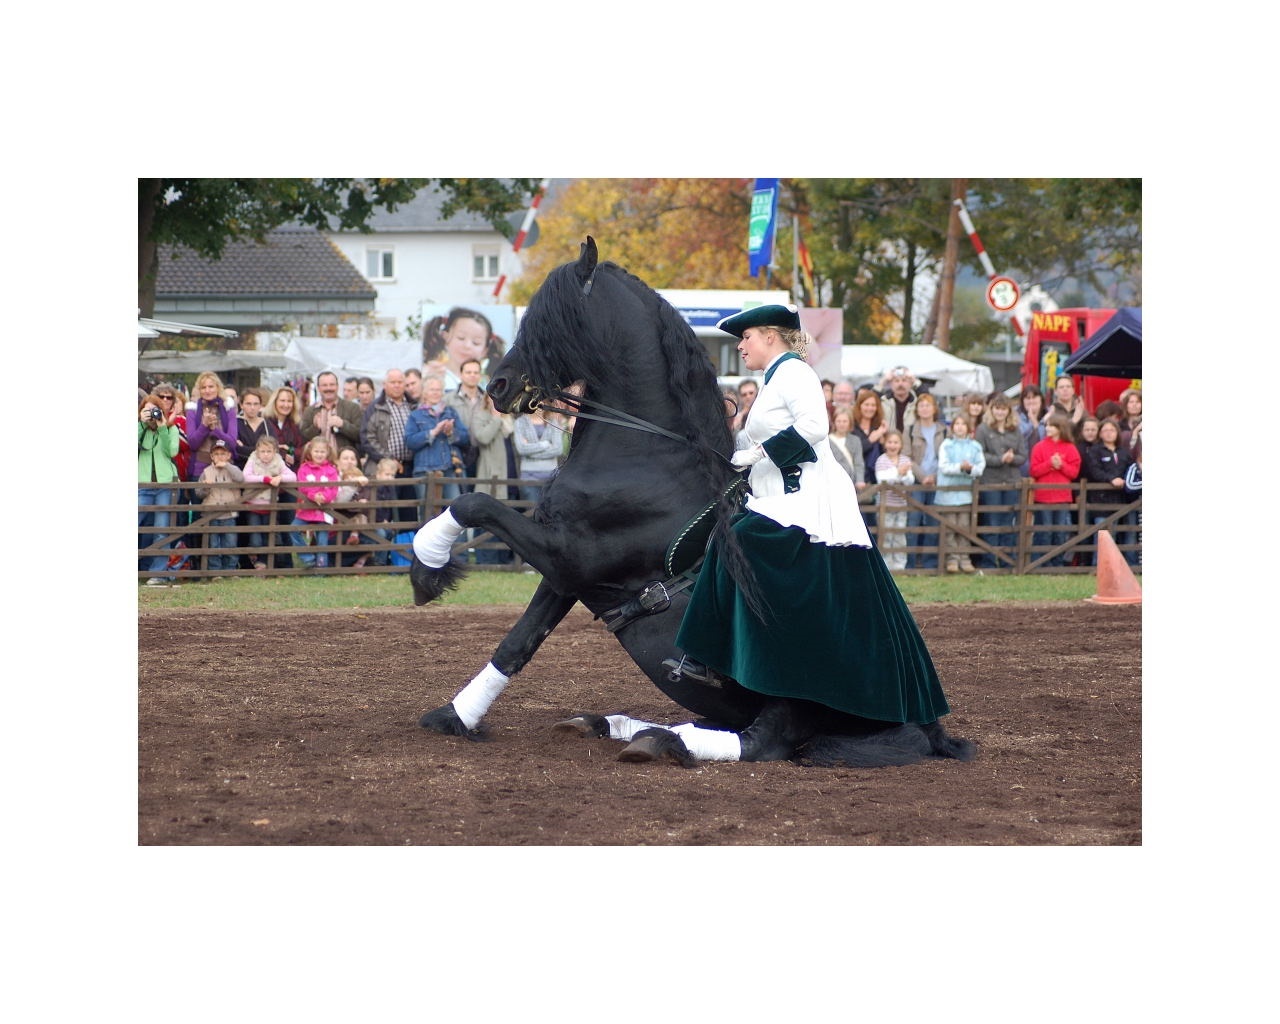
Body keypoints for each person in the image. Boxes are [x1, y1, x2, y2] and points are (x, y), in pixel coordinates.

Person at [659, 304, 958, 763]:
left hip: (807, 499)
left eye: (746, 338)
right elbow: (758, 440)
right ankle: (712, 655)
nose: (740, 346)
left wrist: (757, 454)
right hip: (782, 496)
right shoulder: (774, 379)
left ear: (770, 338)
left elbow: (816, 426)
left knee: (737, 540)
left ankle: (705, 655)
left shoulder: (794, 372)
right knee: (730, 538)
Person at [405, 375, 469, 520]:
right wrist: (433, 432)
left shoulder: (451, 412)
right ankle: (427, 544)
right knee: (427, 514)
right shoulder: (415, 415)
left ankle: (459, 544)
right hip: (424, 471)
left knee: (457, 512)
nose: (435, 393)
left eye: (438, 390)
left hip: (449, 469)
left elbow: (466, 438)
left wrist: (451, 432)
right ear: (425, 392)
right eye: (432, 390)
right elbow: (409, 442)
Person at [359, 367, 417, 522]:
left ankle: (408, 544)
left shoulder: (413, 406)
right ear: (385, 385)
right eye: (393, 382)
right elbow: (366, 437)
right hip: (385, 468)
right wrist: (389, 459)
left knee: (410, 510)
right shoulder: (375, 407)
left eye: (400, 382)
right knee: (386, 512)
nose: (397, 385)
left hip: (410, 466)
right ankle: (387, 545)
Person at [975, 395, 1026, 570]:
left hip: (1012, 481)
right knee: (992, 521)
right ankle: (990, 562)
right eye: (997, 408)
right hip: (991, 481)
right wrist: (1000, 459)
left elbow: (1023, 455)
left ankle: (1007, 561)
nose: (1000, 411)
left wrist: (1012, 458)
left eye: (1003, 408)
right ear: (992, 409)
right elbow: (980, 454)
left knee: (1008, 522)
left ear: (1009, 411)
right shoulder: (982, 429)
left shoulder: (1016, 430)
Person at [138, 393, 182, 586]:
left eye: (154, 410)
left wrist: (163, 427)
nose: (151, 414)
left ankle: (158, 573)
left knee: (161, 530)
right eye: (146, 410)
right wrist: (140, 424)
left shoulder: (171, 429)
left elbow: (171, 451)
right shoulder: (140, 429)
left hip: (165, 486)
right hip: (142, 485)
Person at [935, 413, 985, 574]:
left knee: (964, 527)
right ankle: (952, 559)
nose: (960, 427)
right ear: (952, 427)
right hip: (947, 495)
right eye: (957, 423)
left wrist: (969, 469)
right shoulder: (946, 445)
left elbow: (980, 468)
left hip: (965, 495)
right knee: (949, 529)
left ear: (968, 428)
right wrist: (961, 468)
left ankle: (965, 559)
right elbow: (944, 466)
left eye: (963, 424)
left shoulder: (975, 446)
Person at [1083, 417, 1137, 566]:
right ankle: (1098, 566)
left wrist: (1126, 481)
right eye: (1105, 430)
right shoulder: (1095, 451)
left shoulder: (1123, 452)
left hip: (1121, 500)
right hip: (1101, 500)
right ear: (1100, 434)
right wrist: (1111, 479)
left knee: (1122, 533)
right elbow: (1094, 471)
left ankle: (1122, 567)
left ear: (1117, 433)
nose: (1108, 433)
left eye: (1112, 430)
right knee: (1102, 534)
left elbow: (1131, 469)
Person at [1029, 413, 1081, 567]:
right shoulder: (1039, 447)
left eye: (1051, 425)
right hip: (1043, 496)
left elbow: (1074, 473)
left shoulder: (1070, 448)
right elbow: (1034, 471)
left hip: (1062, 496)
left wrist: (1062, 465)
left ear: (1060, 428)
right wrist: (1050, 464)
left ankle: (1057, 563)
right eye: (1046, 425)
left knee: (1060, 532)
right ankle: (1042, 563)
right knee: (1044, 531)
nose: (1047, 428)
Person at [241, 434, 295, 570]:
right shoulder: (253, 459)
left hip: (269, 506)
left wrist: (280, 477)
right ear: (257, 451)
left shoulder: (278, 461)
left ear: (275, 451)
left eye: (269, 451)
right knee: (255, 537)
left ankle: (263, 562)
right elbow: (245, 476)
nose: (265, 455)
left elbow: (293, 477)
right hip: (253, 505)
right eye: (262, 451)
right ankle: (256, 558)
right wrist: (265, 479)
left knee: (268, 535)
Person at [907, 391, 946, 569]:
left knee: (933, 521)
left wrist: (935, 477)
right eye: (921, 405)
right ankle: (911, 561)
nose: (924, 408)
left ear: (934, 408)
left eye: (927, 405)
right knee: (914, 520)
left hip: (938, 480)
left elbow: (947, 456)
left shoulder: (943, 429)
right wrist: (923, 477)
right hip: (917, 481)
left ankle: (930, 563)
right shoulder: (910, 429)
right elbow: (907, 457)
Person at [424, 307, 505, 392]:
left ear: (485, 350)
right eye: (461, 338)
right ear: (445, 337)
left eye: (476, 342)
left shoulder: (488, 385)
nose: (467, 346)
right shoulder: (433, 373)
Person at [197, 439, 245, 577]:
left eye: (223, 454)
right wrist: (206, 487)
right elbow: (198, 493)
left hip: (229, 514)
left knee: (230, 543)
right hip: (211, 514)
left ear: (229, 455)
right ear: (211, 456)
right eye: (216, 454)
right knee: (213, 545)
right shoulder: (206, 472)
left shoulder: (233, 470)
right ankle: (215, 572)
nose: (219, 457)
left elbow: (241, 478)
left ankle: (230, 570)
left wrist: (227, 466)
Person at [291, 436, 339, 569]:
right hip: (306, 509)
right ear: (310, 452)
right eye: (316, 451)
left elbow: (333, 489)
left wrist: (324, 497)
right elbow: (302, 486)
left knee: (322, 541)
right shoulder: (304, 468)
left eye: (322, 452)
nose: (319, 454)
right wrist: (313, 495)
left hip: (324, 511)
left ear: (327, 453)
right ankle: (307, 558)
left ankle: (322, 567)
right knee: (293, 529)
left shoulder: (331, 470)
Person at [874, 429, 915, 571]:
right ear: (885, 444)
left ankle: (899, 565)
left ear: (901, 444)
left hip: (901, 504)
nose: (893, 445)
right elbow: (882, 479)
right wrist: (898, 472)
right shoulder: (881, 460)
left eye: (896, 442)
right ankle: (886, 565)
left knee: (899, 535)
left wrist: (902, 475)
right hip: (885, 505)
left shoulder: (905, 460)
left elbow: (910, 480)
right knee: (886, 535)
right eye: (890, 442)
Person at [185, 371, 238, 481]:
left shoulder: (228, 409)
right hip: (199, 469)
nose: (207, 390)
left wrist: (215, 430)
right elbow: (193, 444)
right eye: (203, 387)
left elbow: (232, 443)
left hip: (225, 469)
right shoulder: (192, 410)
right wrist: (204, 425)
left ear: (218, 388)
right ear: (199, 390)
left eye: (211, 386)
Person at [301, 370, 363, 458]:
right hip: (318, 464)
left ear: (337, 387)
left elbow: (360, 436)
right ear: (318, 388)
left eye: (332, 384)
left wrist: (342, 425)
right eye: (324, 385)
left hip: (343, 463)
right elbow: (302, 439)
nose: (328, 388)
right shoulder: (310, 410)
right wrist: (315, 427)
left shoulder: (352, 408)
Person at [445, 358, 488, 482]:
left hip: (482, 452)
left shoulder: (487, 400)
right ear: (461, 375)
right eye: (468, 372)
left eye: (476, 372)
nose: (472, 376)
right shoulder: (448, 399)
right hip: (458, 451)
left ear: (480, 375)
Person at [513, 408, 563, 506]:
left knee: (550, 515)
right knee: (531, 514)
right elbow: (521, 449)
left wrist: (530, 450)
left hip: (551, 478)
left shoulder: (553, 422)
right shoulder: (520, 422)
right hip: (529, 478)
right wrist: (544, 445)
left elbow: (558, 449)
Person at [334, 447, 372, 569]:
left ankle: (360, 562)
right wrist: (352, 483)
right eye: (345, 458)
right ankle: (337, 564)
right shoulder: (333, 477)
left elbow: (369, 502)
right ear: (337, 461)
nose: (349, 461)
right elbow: (339, 502)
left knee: (379, 534)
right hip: (337, 523)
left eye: (353, 459)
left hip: (359, 522)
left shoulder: (363, 479)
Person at [264, 385, 305, 472]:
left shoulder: (295, 424)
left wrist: (290, 450)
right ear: (275, 402)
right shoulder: (265, 422)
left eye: (289, 401)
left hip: (291, 471)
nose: (286, 405)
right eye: (282, 401)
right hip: (268, 471)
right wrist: (281, 452)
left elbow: (301, 450)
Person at [851, 387, 887, 485]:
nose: (870, 408)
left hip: (875, 478)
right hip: (856, 476)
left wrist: (883, 441)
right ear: (859, 406)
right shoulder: (852, 426)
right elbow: (853, 451)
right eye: (866, 404)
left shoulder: (879, 427)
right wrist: (871, 440)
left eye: (873, 405)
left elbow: (886, 454)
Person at [233, 386, 271, 468]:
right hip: (240, 470)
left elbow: (274, 448)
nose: (252, 407)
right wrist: (262, 451)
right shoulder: (235, 423)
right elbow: (237, 450)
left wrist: (245, 448)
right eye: (248, 404)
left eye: (256, 404)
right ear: (241, 405)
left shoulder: (266, 424)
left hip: (264, 470)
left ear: (260, 405)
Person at [879, 365, 922, 435]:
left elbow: (928, 397)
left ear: (911, 384)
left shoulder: (917, 402)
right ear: (890, 384)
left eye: (904, 380)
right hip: (889, 443)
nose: (900, 384)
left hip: (911, 444)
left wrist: (914, 379)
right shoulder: (883, 402)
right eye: (896, 381)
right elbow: (869, 398)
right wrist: (883, 381)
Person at [1016, 385, 1047, 477]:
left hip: (1043, 465)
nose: (1031, 401)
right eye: (1027, 398)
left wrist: (1038, 423)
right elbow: (1020, 436)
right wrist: (1032, 422)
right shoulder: (1015, 415)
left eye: (1034, 397)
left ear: (1041, 399)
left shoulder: (1049, 415)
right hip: (1022, 467)